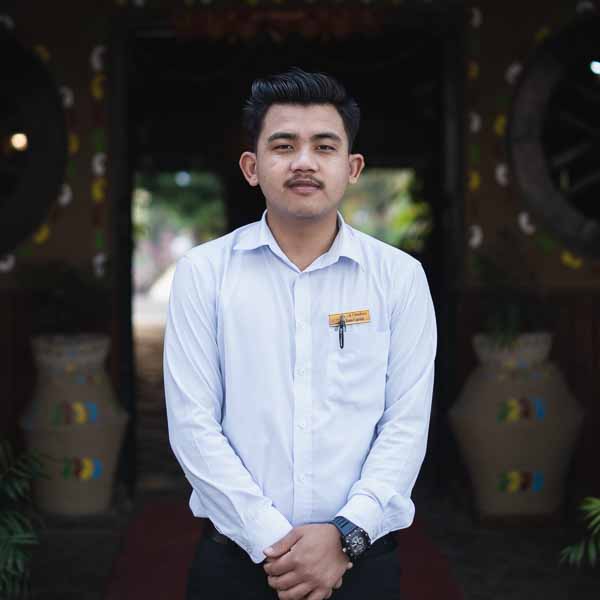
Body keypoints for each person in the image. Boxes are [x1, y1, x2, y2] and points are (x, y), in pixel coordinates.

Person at [163, 67, 437, 600]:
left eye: (325, 146)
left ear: (352, 168)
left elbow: (405, 424)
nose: (304, 162)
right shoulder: (204, 273)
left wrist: (345, 536)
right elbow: (192, 425)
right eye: (284, 145)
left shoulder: (398, 277)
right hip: (236, 563)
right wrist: (274, 541)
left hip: (360, 562)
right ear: (251, 167)